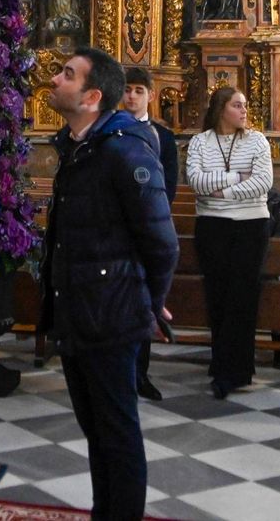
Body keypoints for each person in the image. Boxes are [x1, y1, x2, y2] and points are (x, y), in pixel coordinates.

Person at [40, 47, 177, 521]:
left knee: (117, 433)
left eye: (67, 74)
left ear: (92, 96)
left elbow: (162, 243)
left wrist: (149, 303)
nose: (54, 79)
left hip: (112, 311)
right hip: (80, 307)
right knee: (96, 429)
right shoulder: (78, 147)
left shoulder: (125, 149)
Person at [184, 86, 273, 398]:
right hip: (212, 226)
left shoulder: (257, 141)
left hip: (251, 225)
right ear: (221, 108)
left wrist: (222, 190)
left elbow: (263, 181)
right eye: (238, 105)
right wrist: (237, 177)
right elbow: (196, 180)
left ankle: (236, 369)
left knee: (243, 297)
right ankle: (222, 363)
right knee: (218, 295)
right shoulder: (200, 142)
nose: (244, 111)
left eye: (245, 105)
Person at [121, 66, 177, 401]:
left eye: (138, 90)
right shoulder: (107, 131)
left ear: (151, 96)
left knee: (144, 302)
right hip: (116, 231)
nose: (131, 96)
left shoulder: (162, 137)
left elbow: (167, 186)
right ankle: (117, 372)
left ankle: (140, 372)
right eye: (127, 89)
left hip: (147, 229)